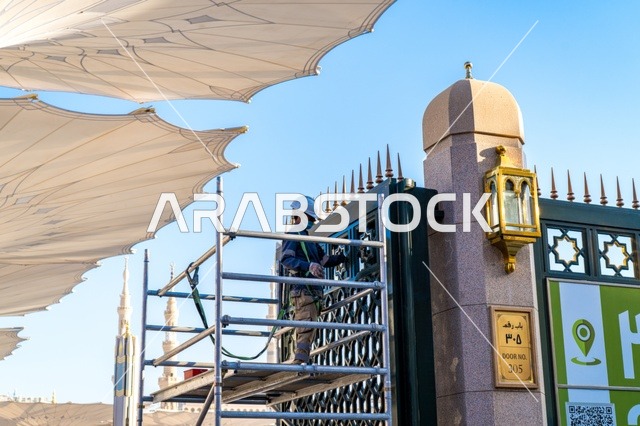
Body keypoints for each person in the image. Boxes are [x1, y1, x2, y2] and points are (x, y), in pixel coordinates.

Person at [280, 195, 347, 365]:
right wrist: (308, 266)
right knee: (306, 326)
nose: (311, 221)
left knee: (309, 328)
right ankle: (300, 363)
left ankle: (302, 360)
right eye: (310, 218)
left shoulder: (309, 239)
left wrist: (342, 257)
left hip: (312, 292)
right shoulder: (293, 235)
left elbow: (324, 260)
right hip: (303, 291)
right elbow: (286, 260)